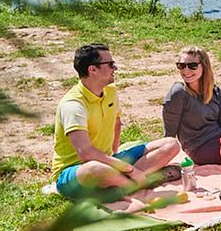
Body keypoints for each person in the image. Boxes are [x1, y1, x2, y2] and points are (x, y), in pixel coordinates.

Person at [51, 43, 182, 201]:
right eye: (110, 64)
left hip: (107, 161)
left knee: (170, 144)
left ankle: (121, 185)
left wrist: (115, 156)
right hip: (75, 171)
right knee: (96, 168)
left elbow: (116, 123)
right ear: (93, 69)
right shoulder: (73, 105)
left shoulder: (110, 91)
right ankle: (136, 182)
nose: (115, 68)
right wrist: (129, 169)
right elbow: (86, 153)